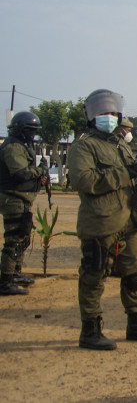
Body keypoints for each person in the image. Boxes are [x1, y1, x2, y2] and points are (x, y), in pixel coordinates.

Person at [67, 89, 137, 350]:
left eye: (112, 113)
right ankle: (90, 331)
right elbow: (82, 180)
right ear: (92, 117)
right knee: (94, 276)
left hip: (127, 222)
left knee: (135, 275)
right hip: (100, 222)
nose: (109, 117)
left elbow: (129, 182)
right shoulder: (83, 146)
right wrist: (123, 176)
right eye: (103, 114)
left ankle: (136, 323)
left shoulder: (121, 144)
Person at [0, 111, 46, 296]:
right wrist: (40, 170)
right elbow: (20, 173)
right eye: (29, 131)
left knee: (22, 238)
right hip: (13, 199)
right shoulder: (13, 147)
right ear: (20, 129)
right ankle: (5, 282)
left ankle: (14, 274)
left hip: (21, 199)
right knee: (14, 240)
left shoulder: (20, 145)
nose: (32, 135)